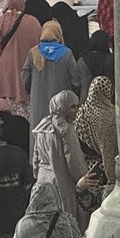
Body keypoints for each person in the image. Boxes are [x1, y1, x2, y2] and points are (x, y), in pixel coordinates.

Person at [30, 89, 86, 221]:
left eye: (77, 106)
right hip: (61, 181)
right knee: (64, 220)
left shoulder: (42, 125)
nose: (76, 110)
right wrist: (82, 178)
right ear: (62, 107)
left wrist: (37, 174)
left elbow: (36, 156)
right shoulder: (66, 129)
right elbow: (74, 160)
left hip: (42, 179)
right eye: (72, 107)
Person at [0, 0, 41, 119]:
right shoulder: (33, 22)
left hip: (6, 72)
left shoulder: (1, 22)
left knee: (9, 107)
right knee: (27, 106)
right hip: (28, 70)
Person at [20, 19, 80, 134]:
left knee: (38, 134)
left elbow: (25, 76)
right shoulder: (67, 53)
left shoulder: (33, 53)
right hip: (61, 104)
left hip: (38, 101)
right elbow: (75, 79)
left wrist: (31, 91)